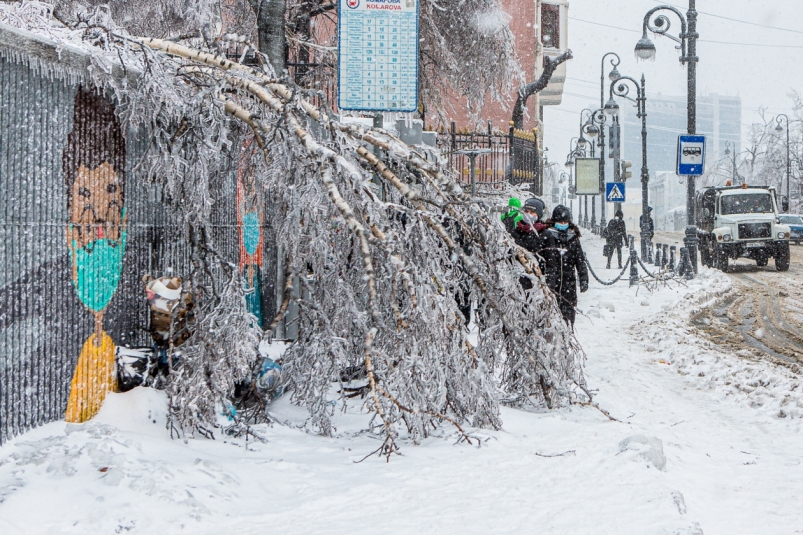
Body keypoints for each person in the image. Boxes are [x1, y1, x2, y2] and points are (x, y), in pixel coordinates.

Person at [537, 205, 589, 326]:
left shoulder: (573, 238)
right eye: (560, 221)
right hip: (551, 282)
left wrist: (584, 278)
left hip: (568, 283)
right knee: (550, 313)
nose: (563, 223)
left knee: (568, 314)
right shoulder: (547, 236)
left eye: (565, 221)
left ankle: (568, 334)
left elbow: (580, 261)